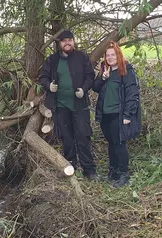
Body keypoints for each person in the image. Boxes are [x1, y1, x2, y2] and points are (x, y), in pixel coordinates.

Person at [39, 30, 98, 179]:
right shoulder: (52, 60)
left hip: (79, 105)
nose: (67, 43)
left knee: (83, 136)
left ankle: (89, 170)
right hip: (60, 106)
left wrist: (83, 89)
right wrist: (49, 86)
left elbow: (90, 76)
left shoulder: (81, 57)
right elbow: (43, 77)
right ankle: (70, 166)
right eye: (64, 40)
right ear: (59, 43)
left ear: (74, 41)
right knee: (67, 137)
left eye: (70, 40)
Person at [92, 41, 141, 188]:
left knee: (119, 143)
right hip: (105, 115)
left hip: (118, 114)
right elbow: (95, 88)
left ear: (118, 55)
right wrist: (103, 77)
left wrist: (128, 115)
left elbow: (132, 94)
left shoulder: (126, 70)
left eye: (113, 54)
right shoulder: (105, 71)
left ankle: (124, 173)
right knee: (111, 142)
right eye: (108, 55)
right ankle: (113, 171)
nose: (110, 57)